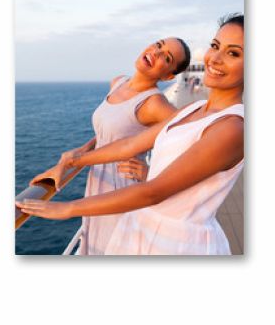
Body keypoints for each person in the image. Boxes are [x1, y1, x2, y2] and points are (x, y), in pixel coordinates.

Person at [17, 14, 244, 255]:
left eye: (234, 53)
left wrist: (68, 209)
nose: (215, 58)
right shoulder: (194, 109)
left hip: (176, 243)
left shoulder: (232, 128)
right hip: (143, 226)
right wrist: (69, 160)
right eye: (215, 46)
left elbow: (153, 191)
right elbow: (129, 145)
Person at [29, 37, 191, 255]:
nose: (157, 52)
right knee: (94, 243)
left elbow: (189, 146)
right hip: (96, 179)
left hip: (122, 185)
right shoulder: (118, 82)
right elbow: (107, 133)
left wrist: (150, 173)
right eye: (159, 44)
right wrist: (80, 151)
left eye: (167, 57)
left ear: (168, 76)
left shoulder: (155, 104)